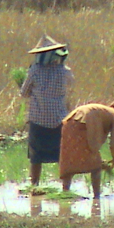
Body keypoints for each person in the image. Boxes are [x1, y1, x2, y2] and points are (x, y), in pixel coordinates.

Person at [20, 35, 74, 186]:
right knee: (62, 156)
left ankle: (34, 187)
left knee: (36, 157)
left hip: (38, 120)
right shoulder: (64, 71)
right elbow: (71, 85)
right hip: (59, 120)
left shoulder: (34, 71)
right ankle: (66, 189)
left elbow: (24, 93)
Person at [59, 100, 114, 198]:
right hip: (84, 123)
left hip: (70, 123)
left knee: (70, 160)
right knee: (96, 166)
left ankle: (65, 193)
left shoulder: (104, 111)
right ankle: (96, 196)